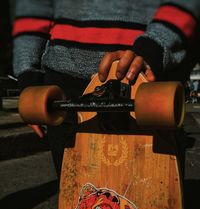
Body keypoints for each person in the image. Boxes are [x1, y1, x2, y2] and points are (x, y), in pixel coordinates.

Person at [13, 0, 200, 176]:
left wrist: (155, 47)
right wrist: (28, 74)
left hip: (145, 81)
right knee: (79, 203)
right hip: (64, 87)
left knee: (153, 203)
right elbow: (35, 8)